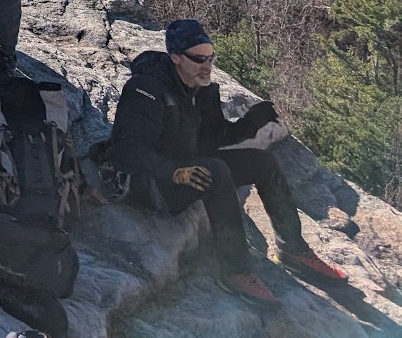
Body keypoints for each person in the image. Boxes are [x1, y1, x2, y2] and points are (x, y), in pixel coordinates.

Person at [106, 19, 348, 304]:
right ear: (176, 57)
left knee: (261, 162)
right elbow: (128, 150)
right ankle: (236, 271)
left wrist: (248, 125)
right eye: (199, 59)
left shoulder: (201, 88)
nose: (207, 66)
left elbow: (211, 140)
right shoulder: (146, 89)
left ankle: (293, 250)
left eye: (210, 57)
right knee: (217, 172)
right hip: (148, 183)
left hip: (186, 166)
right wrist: (175, 172)